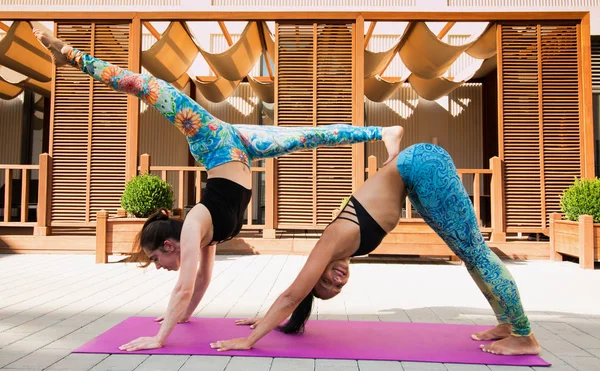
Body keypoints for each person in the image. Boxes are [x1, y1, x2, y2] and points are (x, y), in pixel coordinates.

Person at [34, 30, 405, 352]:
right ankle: (380, 133)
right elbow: (201, 281)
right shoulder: (206, 232)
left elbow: (184, 284)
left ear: (169, 245)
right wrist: (183, 317)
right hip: (242, 143)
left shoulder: (196, 223)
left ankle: (68, 53)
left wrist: (160, 337)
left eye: (155, 260)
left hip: (212, 139)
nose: (160, 268)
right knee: (307, 136)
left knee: (150, 88)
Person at [209, 143, 541, 356]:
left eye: (326, 283)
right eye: (337, 288)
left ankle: (525, 335)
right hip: (415, 174)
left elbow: (292, 296)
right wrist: (269, 318)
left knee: (477, 253)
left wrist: (250, 341)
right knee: (471, 258)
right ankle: (505, 324)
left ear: (317, 275)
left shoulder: (330, 241)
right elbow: (293, 299)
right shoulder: (343, 246)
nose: (337, 280)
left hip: (420, 165)